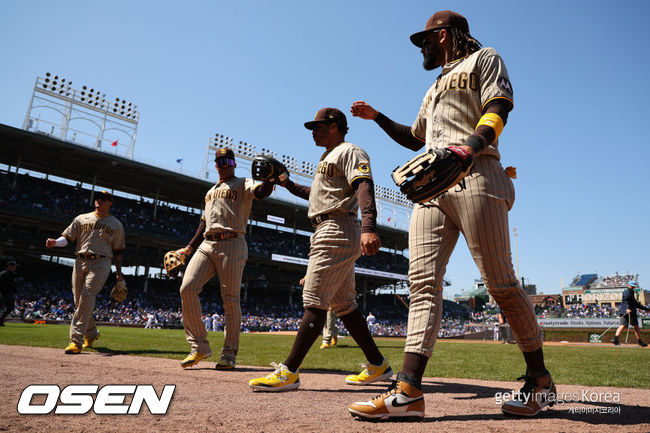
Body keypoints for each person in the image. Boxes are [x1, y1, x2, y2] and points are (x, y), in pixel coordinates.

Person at [348, 10, 554, 420]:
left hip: (478, 172)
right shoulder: (435, 85)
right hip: (433, 186)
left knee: (501, 284)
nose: (420, 47)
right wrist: (378, 118)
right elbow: (416, 137)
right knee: (421, 283)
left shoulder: (485, 58)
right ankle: (408, 391)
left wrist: (472, 146)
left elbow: (499, 104)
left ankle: (539, 381)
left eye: (424, 40)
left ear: (442, 35)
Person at [248, 107, 393, 391]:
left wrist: (369, 227)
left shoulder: (350, 151)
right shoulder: (326, 157)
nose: (314, 131)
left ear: (335, 126)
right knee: (344, 306)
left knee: (314, 300)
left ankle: (288, 372)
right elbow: (314, 195)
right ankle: (378, 365)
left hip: (337, 227)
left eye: (319, 126)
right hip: (328, 226)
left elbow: (364, 185)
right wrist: (286, 183)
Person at [177, 147, 274, 370]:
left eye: (227, 161)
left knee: (230, 299)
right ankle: (199, 347)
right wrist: (188, 248)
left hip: (232, 242)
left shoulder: (243, 182)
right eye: (219, 161)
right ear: (216, 165)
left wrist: (269, 179)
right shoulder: (210, 191)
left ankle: (229, 354)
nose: (223, 164)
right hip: (207, 243)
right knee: (187, 288)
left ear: (233, 164)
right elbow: (203, 223)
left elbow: (261, 193)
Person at [46, 190, 125, 354]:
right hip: (80, 260)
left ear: (110, 203)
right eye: (97, 198)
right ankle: (91, 333)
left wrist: (119, 274)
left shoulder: (116, 224)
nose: (99, 201)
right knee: (78, 302)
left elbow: (118, 252)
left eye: (104, 199)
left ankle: (76, 341)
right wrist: (55, 242)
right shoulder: (81, 218)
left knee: (87, 296)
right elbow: (67, 238)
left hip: (101, 262)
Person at [612, 281, 649, 347]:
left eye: (633, 286)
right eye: (632, 285)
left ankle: (615, 339)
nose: (633, 287)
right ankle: (639, 342)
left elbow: (635, 304)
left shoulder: (631, 292)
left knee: (624, 326)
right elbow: (626, 301)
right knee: (635, 326)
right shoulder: (628, 292)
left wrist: (646, 309)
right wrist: (627, 308)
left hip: (626, 311)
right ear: (628, 285)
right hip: (628, 311)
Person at [0, 259, 18, 326]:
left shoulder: (14, 274)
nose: (15, 267)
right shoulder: (3, 273)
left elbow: (15, 284)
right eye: (14, 266)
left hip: (10, 294)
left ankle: (1, 319)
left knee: (11, 308)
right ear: (9, 266)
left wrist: (15, 293)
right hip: (3, 293)